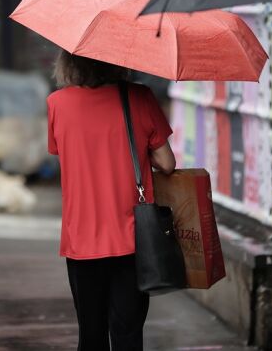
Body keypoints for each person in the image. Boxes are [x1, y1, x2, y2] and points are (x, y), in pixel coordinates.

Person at [46, 51, 176, 351]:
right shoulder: (140, 98)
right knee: (128, 334)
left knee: (90, 336)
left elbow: (60, 151)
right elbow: (167, 163)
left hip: (81, 242)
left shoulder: (57, 104)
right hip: (132, 239)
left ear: (70, 61)